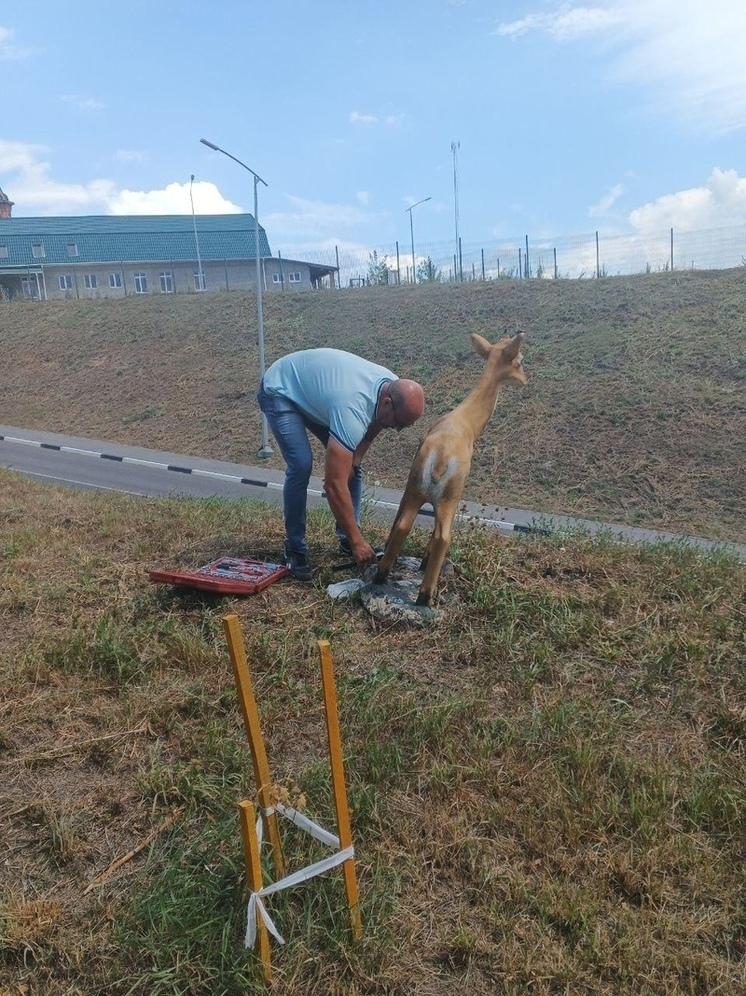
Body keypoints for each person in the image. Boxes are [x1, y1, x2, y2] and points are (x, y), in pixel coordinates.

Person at [258, 347, 425, 580]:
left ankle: (347, 537)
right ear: (388, 403)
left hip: (316, 393)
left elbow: (374, 426)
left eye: (404, 426)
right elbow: (333, 485)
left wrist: (355, 459)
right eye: (399, 422)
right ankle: (295, 548)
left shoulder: (390, 386)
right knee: (301, 465)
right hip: (281, 389)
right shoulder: (352, 408)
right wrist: (360, 543)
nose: (397, 429)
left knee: (352, 466)